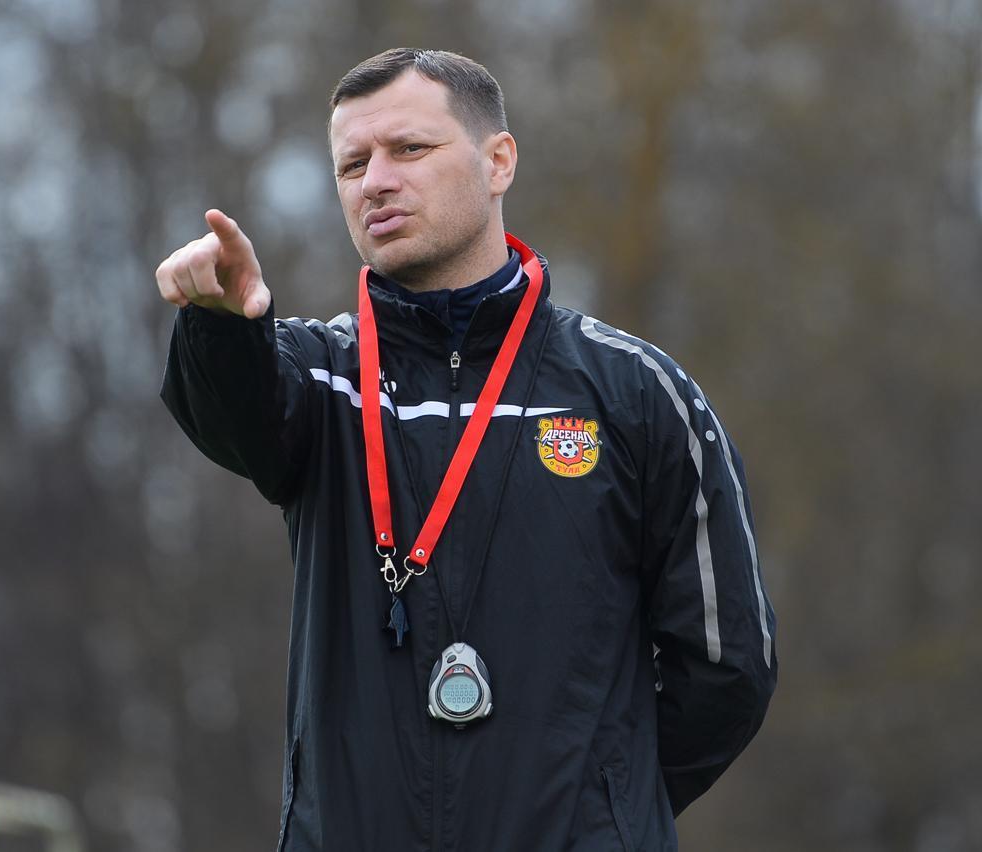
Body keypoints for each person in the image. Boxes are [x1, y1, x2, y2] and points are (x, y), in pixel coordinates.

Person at [156, 47, 777, 852]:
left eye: (409, 149)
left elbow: (727, 664)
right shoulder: (321, 378)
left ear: (498, 162)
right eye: (353, 164)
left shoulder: (635, 392)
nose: (376, 182)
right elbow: (234, 415)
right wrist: (221, 326)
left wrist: (605, 809)